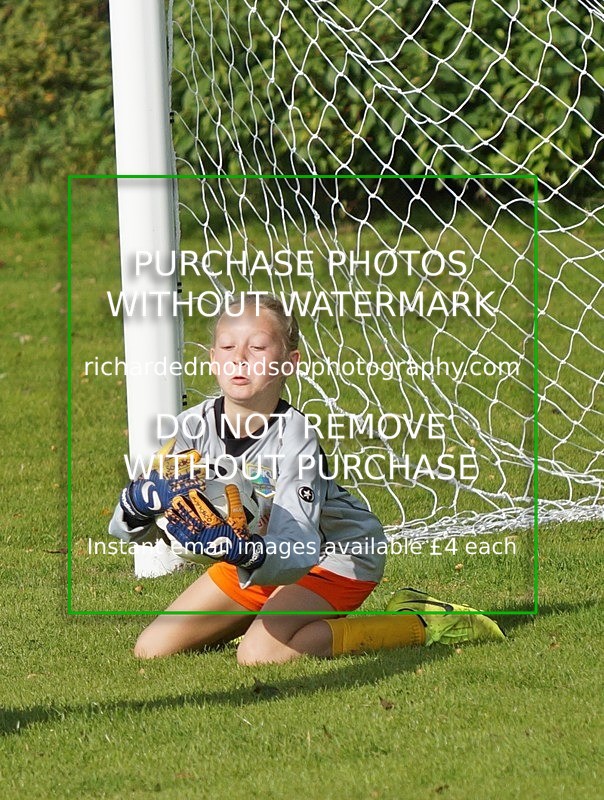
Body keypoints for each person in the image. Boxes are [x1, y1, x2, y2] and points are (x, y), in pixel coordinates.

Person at [109, 294, 504, 665]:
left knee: (258, 656)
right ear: (213, 359)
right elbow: (126, 528)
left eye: (258, 348)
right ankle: (270, 619)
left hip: (334, 557)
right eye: (227, 348)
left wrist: (244, 551)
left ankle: (423, 621)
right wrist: (137, 505)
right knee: (152, 650)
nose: (239, 359)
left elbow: (299, 545)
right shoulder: (192, 427)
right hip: (253, 558)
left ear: (289, 362)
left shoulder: (295, 438)